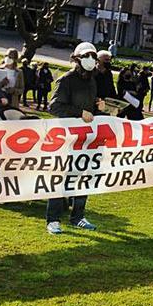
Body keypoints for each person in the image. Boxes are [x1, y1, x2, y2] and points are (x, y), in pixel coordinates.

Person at [46, 42, 105, 234]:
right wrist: (80, 112)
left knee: (84, 177)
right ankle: (53, 219)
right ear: (77, 58)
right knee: (61, 178)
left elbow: (90, 111)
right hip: (68, 138)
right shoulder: (66, 80)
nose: (91, 60)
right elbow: (54, 107)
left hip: (87, 140)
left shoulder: (92, 80)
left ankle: (78, 216)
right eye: (87, 56)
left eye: (93, 56)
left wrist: (98, 106)